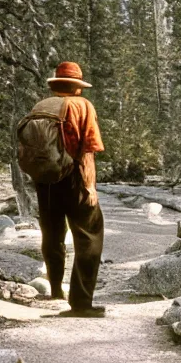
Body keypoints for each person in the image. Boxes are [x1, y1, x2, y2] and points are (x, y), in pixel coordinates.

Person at [37, 61, 106, 317]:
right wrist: (90, 187)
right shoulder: (82, 105)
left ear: (57, 84)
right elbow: (88, 149)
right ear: (77, 87)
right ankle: (81, 304)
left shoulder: (42, 106)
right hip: (74, 177)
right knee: (90, 235)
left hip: (45, 179)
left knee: (52, 232)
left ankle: (55, 289)